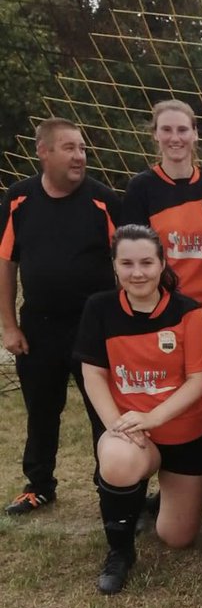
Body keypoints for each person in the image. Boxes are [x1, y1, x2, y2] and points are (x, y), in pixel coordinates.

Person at [75, 225, 202, 595]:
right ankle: (120, 552)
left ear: (162, 263)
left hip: (186, 434)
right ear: (115, 267)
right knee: (119, 458)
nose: (138, 272)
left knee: (177, 538)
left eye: (146, 262)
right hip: (134, 434)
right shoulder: (99, 308)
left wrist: (154, 417)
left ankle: (155, 501)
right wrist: (116, 427)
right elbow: (93, 374)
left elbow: (198, 380)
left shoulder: (188, 312)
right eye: (127, 263)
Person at [0, 118, 121, 514]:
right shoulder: (18, 200)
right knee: (41, 407)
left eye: (82, 148)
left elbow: (134, 261)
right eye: (69, 148)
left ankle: (112, 482)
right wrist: (9, 325)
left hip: (96, 328)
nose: (79, 156)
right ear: (44, 152)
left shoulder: (103, 199)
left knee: (103, 411)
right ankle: (39, 484)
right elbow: (6, 263)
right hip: (39, 326)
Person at [121, 99, 202, 315]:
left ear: (195, 134)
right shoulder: (141, 188)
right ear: (155, 135)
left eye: (182, 129)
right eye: (166, 130)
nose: (175, 138)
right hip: (163, 310)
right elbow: (129, 254)